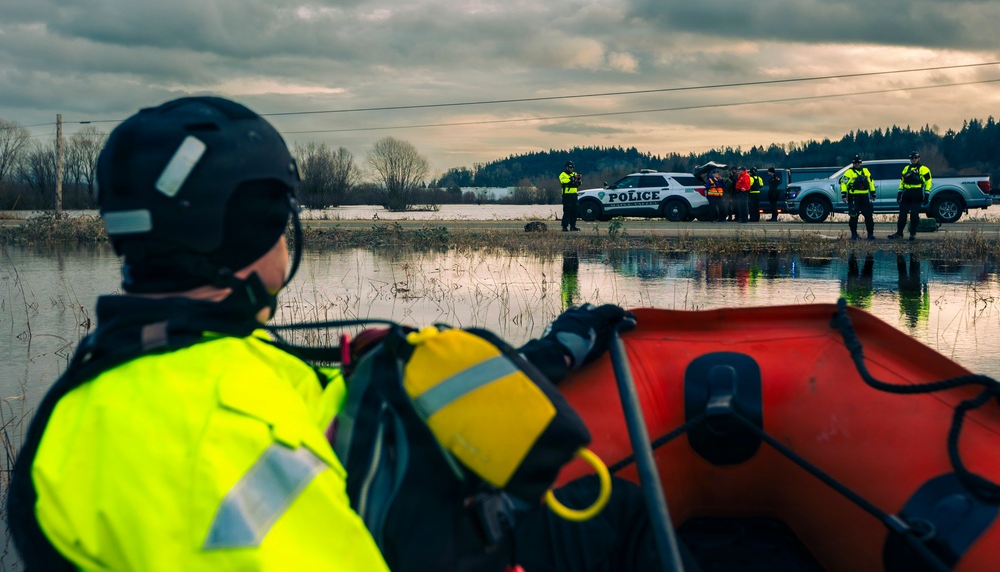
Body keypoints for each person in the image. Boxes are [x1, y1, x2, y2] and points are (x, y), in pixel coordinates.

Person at [9, 97, 685, 572]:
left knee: (619, 509)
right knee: (628, 521)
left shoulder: (129, 371)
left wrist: (552, 350)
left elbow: (325, 404)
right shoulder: (213, 437)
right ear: (257, 231)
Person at [8, 97, 391, 571]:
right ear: (254, 230)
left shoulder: (110, 374)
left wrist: (376, 375)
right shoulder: (218, 436)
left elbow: (282, 403)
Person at [888, 151, 932, 241]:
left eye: (915, 158)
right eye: (912, 158)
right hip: (907, 193)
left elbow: (928, 183)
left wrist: (927, 195)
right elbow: (902, 182)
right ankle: (899, 232)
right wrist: (899, 193)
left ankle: (912, 233)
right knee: (902, 214)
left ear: (919, 158)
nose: (914, 159)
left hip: (917, 193)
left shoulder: (924, 169)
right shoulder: (906, 168)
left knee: (914, 215)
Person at [840, 155, 876, 240]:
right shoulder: (849, 172)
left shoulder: (866, 171)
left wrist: (873, 193)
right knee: (853, 216)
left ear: (861, 163)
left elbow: (871, 182)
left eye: (858, 162)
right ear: (853, 164)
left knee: (868, 216)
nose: (857, 164)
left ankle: (870, 234)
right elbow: (843, 183)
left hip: (864, 197)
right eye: (855, 163)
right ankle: (854, 234)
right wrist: (844, 195)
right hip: (853, 197)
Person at [560, 161, 582, 231]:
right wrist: (572, 179)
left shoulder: (574, 174)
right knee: (567, 211)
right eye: (570, 167)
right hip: (567, 195)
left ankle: (573, 226)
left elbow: (579, 182)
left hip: (574, 195)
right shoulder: (562, 174)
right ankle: (564, 226)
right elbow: (564, 181)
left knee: (575, 211)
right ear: (566, 167)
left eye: (572, 167)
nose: (571, 169)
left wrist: (578, 178)